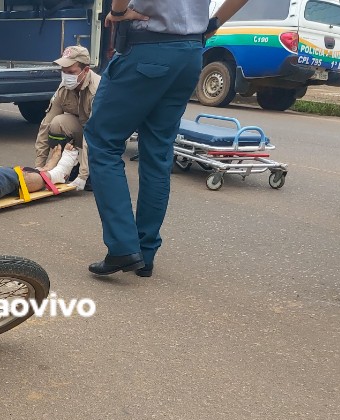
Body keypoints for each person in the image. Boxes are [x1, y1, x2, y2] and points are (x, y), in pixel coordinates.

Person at [83, 0, 248, 277]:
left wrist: (119, 11)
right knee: (158, 153)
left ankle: (123, 247)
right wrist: (212, 24)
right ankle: (145, 254)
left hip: (147, 48)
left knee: (103, 142)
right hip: (189, 54)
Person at [35, 45, 99, 192]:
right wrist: (39, 165)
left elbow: (93, 132)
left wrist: (83, 176)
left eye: (71, 72)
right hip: (84, 129)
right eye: (63, 72)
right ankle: (70, 166)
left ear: (86, 70)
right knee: (57, 123)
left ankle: (90, 173)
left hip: (106, 136)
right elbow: (47, 123)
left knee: (94, 139)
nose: (66, 76)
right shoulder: (65, 87)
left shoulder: (97, 91)